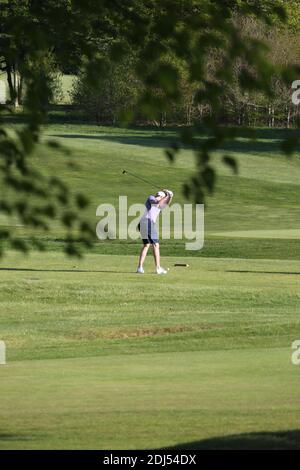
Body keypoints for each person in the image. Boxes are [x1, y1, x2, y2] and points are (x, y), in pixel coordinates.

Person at [137, 189, 173, 274]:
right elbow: (157, 203)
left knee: (146, 245)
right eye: (162, 197)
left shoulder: (161, 204)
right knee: (156, 245)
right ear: (161, 197)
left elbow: (166, 203)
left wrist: (170, 196)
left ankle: (140, 268)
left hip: (143, 223)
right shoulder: (151, 198)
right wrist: (167, 195)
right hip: (147, 222)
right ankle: (158, 268)